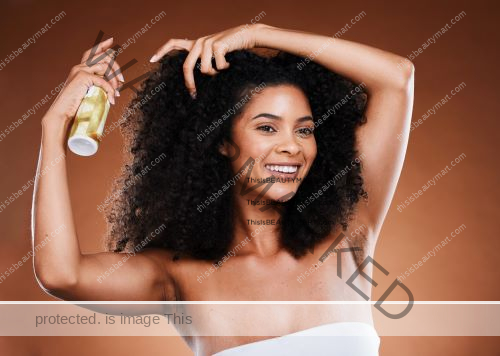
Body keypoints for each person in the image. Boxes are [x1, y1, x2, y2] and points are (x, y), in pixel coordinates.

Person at [32, 23, 414, 355]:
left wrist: (259, 34)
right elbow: (61, 275)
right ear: (223, 142)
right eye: (267, 127)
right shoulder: (179, 275)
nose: (292, 146)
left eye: (304, 129)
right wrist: (53, 128)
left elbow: (396, 77)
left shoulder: (348, 236)